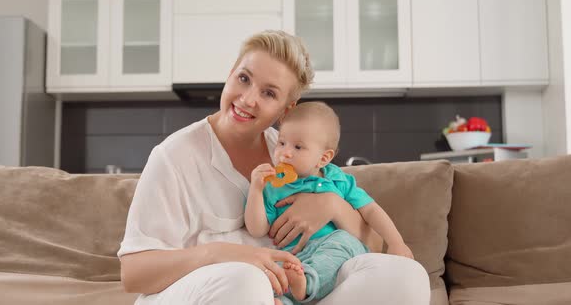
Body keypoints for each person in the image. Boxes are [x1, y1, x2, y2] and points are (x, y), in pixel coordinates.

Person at [118, 30, 430, 304]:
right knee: (248, 283)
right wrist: (220, 254)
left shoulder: (292, 152)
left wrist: (332, 205)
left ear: (286, 110)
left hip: (285, 291)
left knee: (407, 277)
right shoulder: (173, 157)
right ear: (230, 73)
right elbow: (133, 274)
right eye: (243, 78)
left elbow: (371, 245)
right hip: (204, 293)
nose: (248, 98)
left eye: (269, 93)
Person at [245, 101, 414, 305]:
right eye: (281, 143)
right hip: (293, 257)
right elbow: (257, 229)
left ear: (323, 158)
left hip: (335, 253)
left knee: (342, 240)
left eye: (298, 147)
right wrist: (255, 190)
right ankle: (287, 298)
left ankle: (307, 283)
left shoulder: (337, 180)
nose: (285, 153)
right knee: (272, 272)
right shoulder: (273, 187)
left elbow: (370, 210)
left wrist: (396, 242)